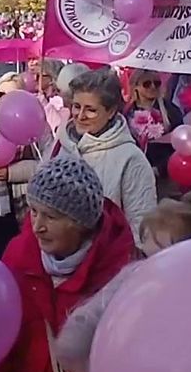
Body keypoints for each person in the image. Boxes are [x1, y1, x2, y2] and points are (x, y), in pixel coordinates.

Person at [0, 155, 134, 372]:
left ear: (81, 223)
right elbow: (1, 354)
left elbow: (132, 371)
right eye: (33, 212)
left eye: (51, 217)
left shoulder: (118, 276)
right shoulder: (19, 256)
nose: (37, 227)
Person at [53, 191, 191, 372]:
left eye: (162, 260)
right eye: (145, 256)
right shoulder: (133, 281)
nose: (149, 268)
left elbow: (73, 342)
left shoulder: (139, 283)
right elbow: (73, 341)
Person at [53, 68, 156, 243]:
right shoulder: (60, 144)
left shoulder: (130, 158)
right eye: (76, 107)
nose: (80, 116)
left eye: (91, 110)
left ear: (111, 111)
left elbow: (141, 225)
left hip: (108, 262)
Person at [0, 73, 49, 258]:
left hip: (26, 200)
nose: (5, 100)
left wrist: (10, 172)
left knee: (25, 252)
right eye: (1, 94)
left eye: (11, 95)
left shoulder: (38, 122)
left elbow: (46, 163)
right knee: (0, 250)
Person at [124, 68, 183, 194]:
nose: (152, 87)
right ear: (136, 87)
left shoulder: (171, 110)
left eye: (156, 83)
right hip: (136, 176)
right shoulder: (126, 113)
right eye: (147, 84)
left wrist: (160, 169)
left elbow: (180, 146)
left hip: (165, 177)